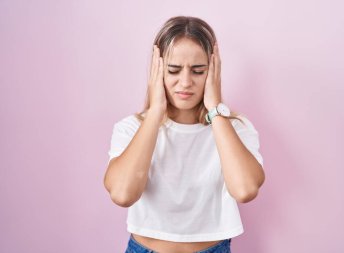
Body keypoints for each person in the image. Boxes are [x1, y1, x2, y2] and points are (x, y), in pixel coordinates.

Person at [104, 16, 265, 253]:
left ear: (213, 72)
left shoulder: (236, 128)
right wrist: (155, 112)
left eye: (198, 71)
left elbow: (245, 190)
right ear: (156, 71)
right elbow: (122, 194)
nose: (186, 82)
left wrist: (215, 109)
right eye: (173, 70)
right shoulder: (130, 128)